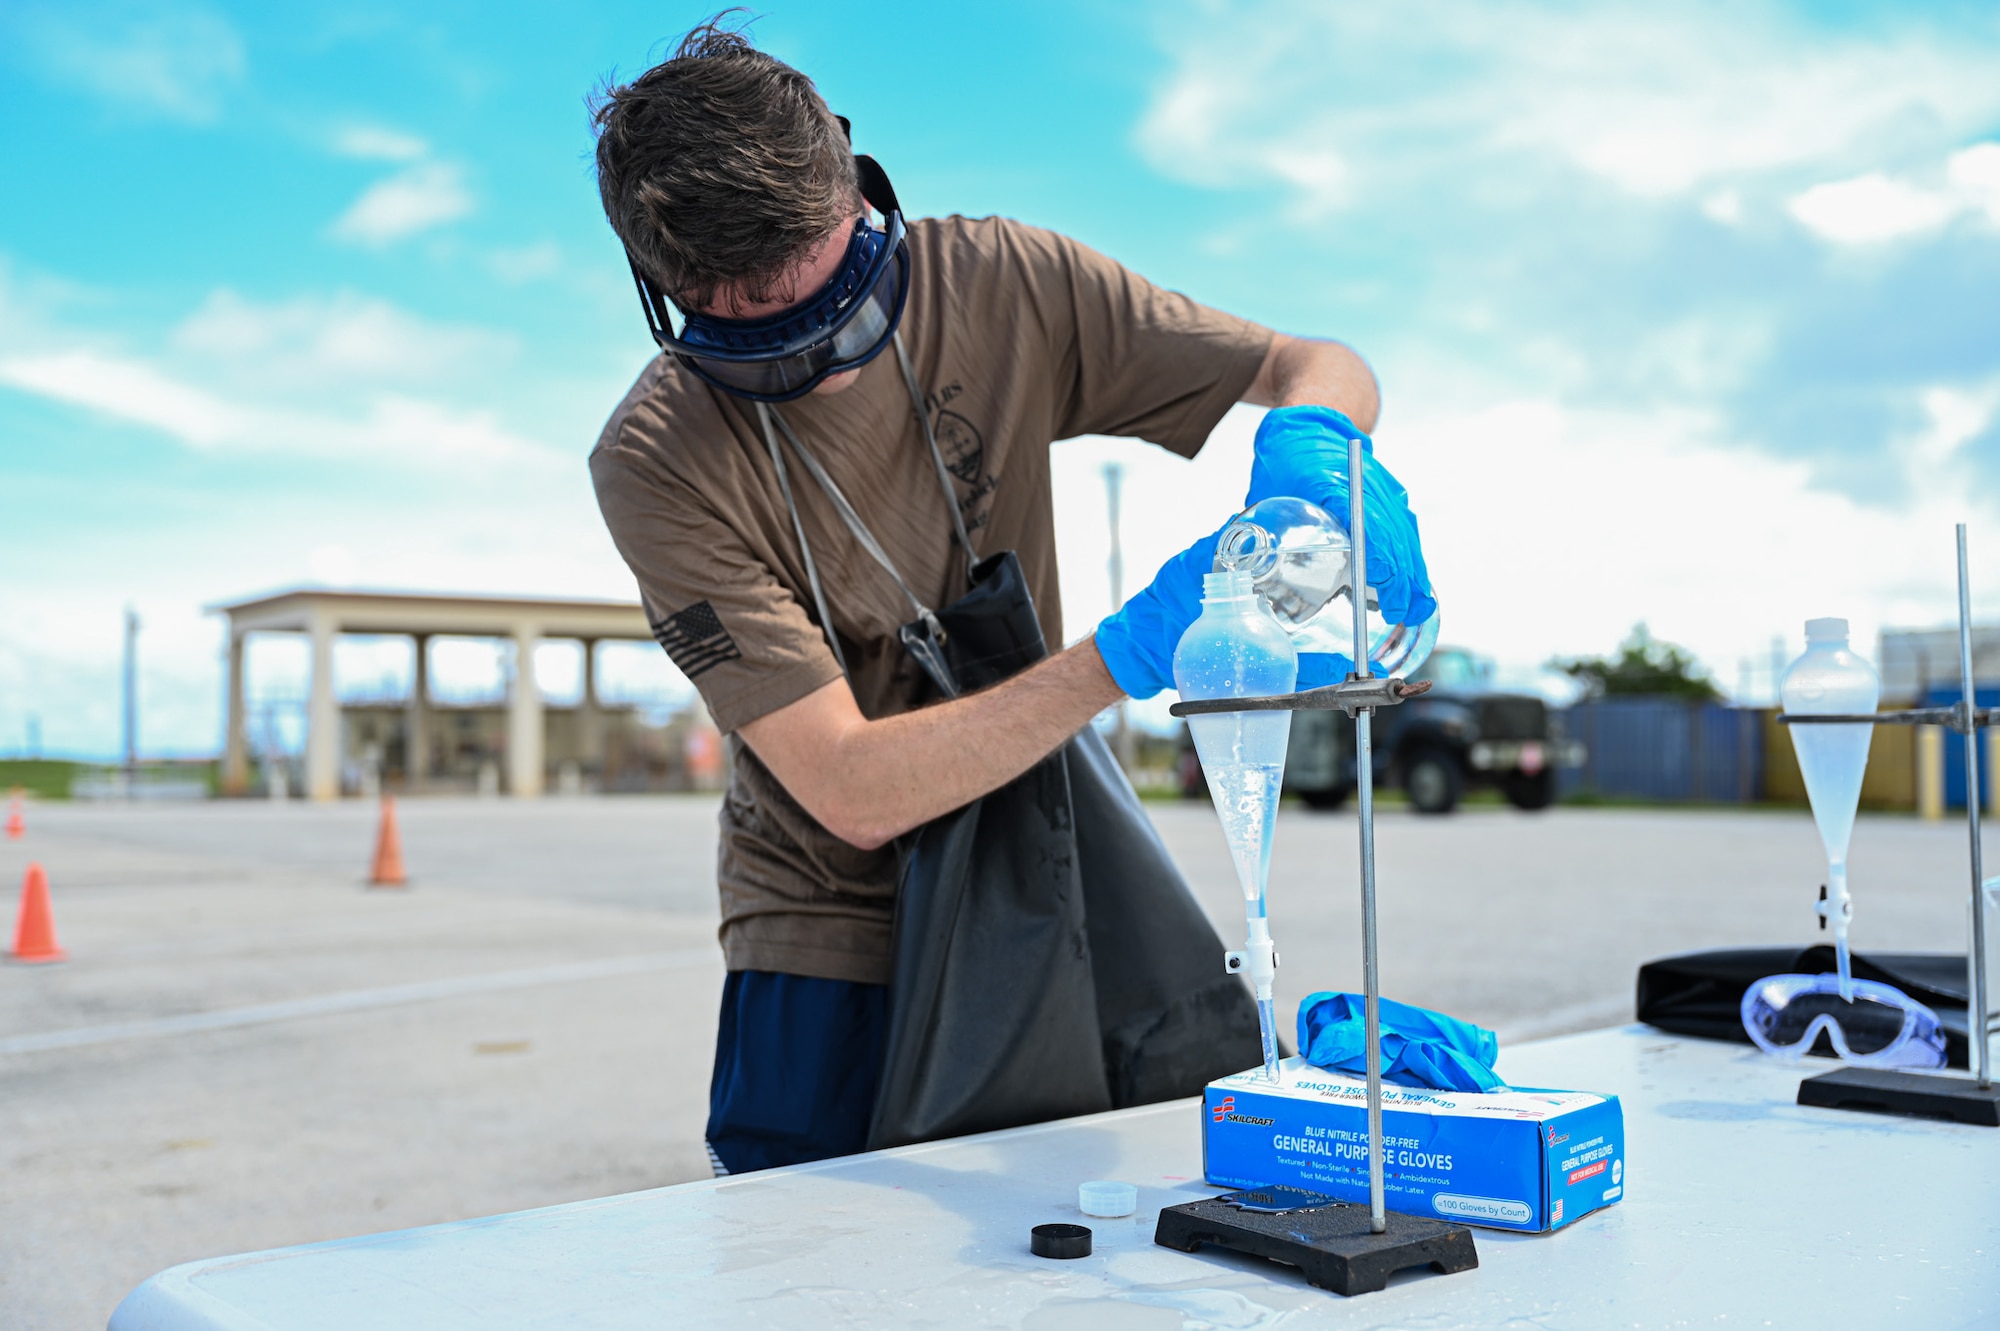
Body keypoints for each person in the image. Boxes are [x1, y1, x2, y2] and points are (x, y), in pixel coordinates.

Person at [588, 19, 1433, 1176]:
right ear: (665, 285)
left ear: (850, 175)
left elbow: (1310, 359)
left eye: (843, 297)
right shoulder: (657, 457)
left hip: (1044, 875)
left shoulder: (999, 280)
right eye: (769, 342)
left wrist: (1319, 446)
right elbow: (851, 785)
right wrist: (1127, 653)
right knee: (801, 1257)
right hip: (829, 930)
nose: (826, 359)